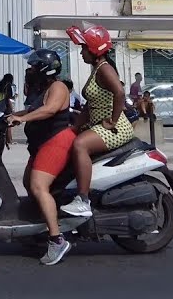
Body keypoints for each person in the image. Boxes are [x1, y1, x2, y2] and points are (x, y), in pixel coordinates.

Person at [7, 49, 76, 266]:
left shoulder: (58, 87)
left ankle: (57, 240)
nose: (30, 70)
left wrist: (23, 119)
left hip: (56, 141)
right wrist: (9, 116)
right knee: (28, 182)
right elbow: (31, 109)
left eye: (34, 67)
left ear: (45, 68)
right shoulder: (41, 88)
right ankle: (42, 226)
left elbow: (49, 110)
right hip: (40, 145)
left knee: (38, 186)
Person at [61, 24, 134, 219]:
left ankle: (83, 200)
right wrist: (75, 126)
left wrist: (113, 120)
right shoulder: (97, 69)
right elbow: (89, 106)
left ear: (94, 50)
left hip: (115, 128)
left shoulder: (104, 69)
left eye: (84, 48)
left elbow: (119, 92)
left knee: (80, 145)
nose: (81, 52)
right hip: (98, 124)